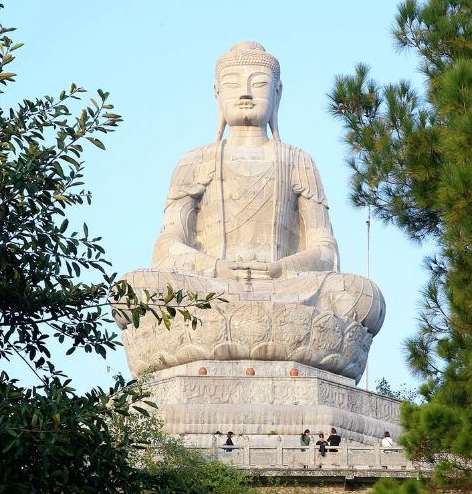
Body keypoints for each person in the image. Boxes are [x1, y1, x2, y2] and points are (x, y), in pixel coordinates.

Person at [116, 42, 385, 382]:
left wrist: (280, 268)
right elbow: (167, 245)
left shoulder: (298, 160)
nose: (244, 93)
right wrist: (215, 268)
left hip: (287, 289)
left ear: (277, 93)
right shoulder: (194, 161)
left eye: (257, 83)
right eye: (232, 84)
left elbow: (325, 252)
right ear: (217, 94)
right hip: (208, 288)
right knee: (131, 291)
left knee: (361, 295)